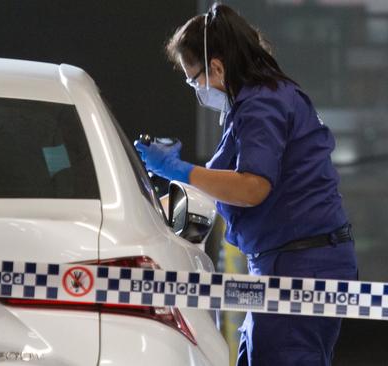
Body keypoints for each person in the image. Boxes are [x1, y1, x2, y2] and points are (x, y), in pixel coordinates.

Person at [134, 3, 357, 365]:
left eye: (195, 79)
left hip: (300, 266)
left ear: (217, 66)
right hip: (289, 261)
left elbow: (253, 187)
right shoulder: (258, 101)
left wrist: (179, 170)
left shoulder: (262, 104)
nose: (197, 88)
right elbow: (228, 182)